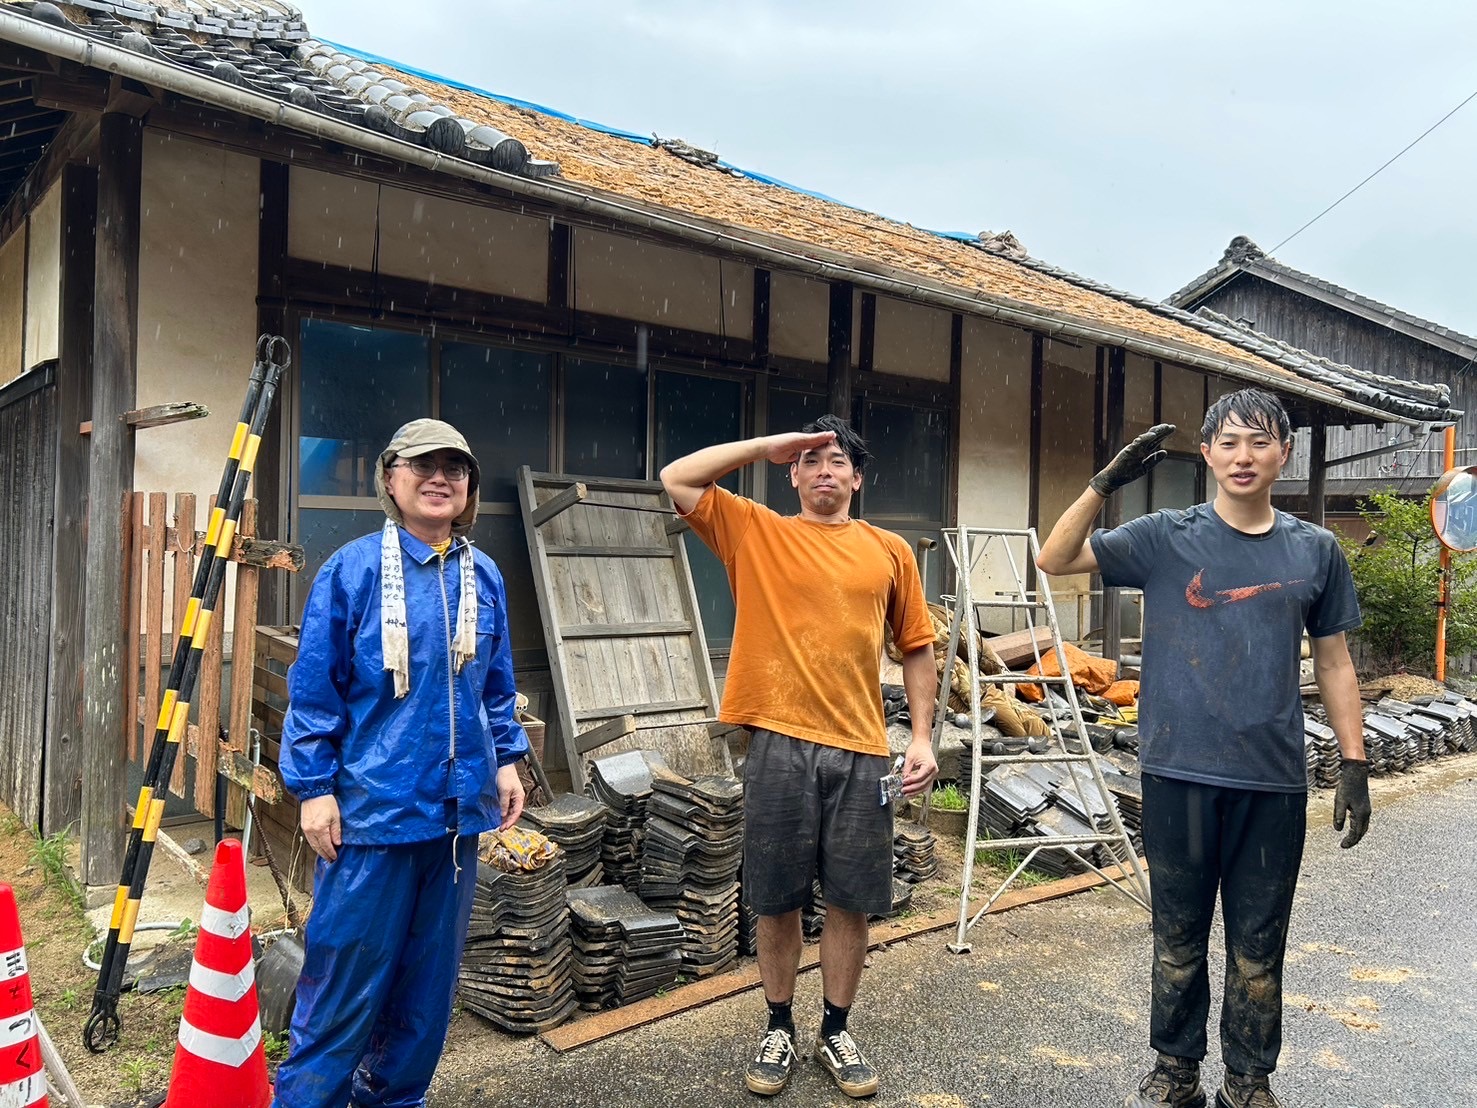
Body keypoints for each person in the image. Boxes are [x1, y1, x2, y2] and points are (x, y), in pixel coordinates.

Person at [1036, 389, 1372, 1108]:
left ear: (1283, 451)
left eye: (1258, 441)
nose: (1242, 456)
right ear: (1208, 452)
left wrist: (1354, 761)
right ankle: (1174, 1071)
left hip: (1270, 779)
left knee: (1258, 944)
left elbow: (1336, 660)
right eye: (1226, 442)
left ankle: (1248, 1079)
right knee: (1177, 937)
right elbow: (1053, 558)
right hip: (1176, 770)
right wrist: (1103, 484)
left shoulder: (1314, 549)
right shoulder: (1164, 537)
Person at [660, 414, 939, 1099]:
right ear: (792, 471)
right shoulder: (756, 530)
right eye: (809, 459)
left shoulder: (888, 550)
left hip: (862, 749)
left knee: (850, 901)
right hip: (777, 745)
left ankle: (836, 1030)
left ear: (856, 477)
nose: (823, 470)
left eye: (836, 460)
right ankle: (778, 1025)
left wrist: (924, 736)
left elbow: (918, 648)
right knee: (775, 898)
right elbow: (676, 477)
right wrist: (763, 444)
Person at [274, 419, 529, 1108]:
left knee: (424, 999)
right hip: (371, 819)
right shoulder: (352, 570)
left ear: (469, 487)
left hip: (453, 825)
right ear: (390, 479)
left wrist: (506, 759)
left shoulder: (483, 574)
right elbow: (315, 688)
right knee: (343, 994)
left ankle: (394, 1101)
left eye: (455, 465)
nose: (439, 477)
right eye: (422, 464)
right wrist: (313, 787)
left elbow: (494, 686)